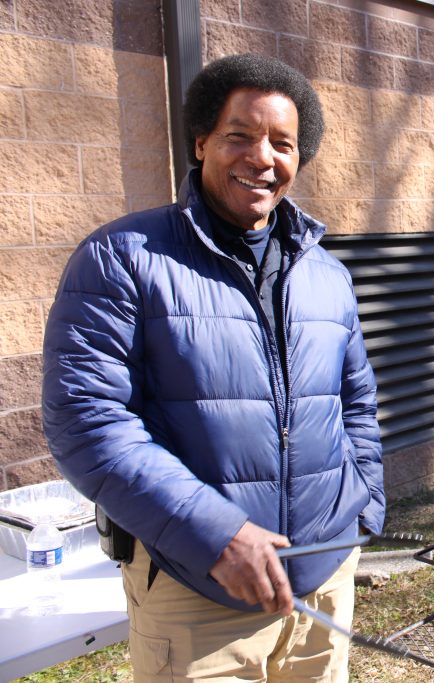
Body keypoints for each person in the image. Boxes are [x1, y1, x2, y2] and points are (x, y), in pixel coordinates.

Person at [41, 53, 384, 681]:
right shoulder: (123, 258)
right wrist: (216, 534)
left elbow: (355, 403)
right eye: (240, 135)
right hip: (195, 588)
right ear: (201, 143)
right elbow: (85, 420)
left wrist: (363, 506)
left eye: (282, 143)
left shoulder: (326, 274)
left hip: (325, 575)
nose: (262, 157)